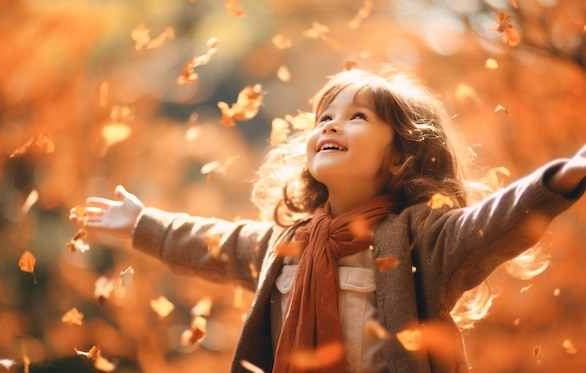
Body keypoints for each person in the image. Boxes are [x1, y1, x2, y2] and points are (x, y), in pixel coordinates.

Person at [69, 67, 586, 373]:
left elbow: (491, 222)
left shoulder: (421, 240)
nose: (333, 123)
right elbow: (216, 243)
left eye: (358, 116)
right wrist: (142, 223)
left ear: (400, 155)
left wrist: (565, 176)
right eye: (325, 118)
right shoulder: (286, 242)